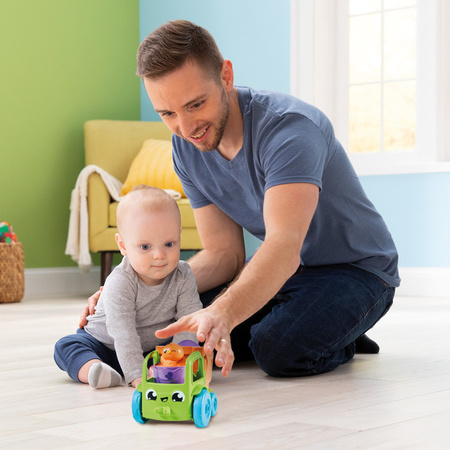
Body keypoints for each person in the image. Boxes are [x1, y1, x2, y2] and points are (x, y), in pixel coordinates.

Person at [80, 20, 399, 379]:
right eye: (167, 114)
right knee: (173, 322)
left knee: (276, 349)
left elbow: (283, 246)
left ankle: (340, 332)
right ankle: (315, 320)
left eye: (195, 104)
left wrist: (224, 312)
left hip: (354, 270)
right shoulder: (186, 149)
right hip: (286, 273)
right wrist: (135, 286)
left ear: (225, 76)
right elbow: (224, 255)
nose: (185, 129)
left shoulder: (290, 130)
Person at [55, 185, 202, 388]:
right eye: (145, 247)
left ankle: (150, 368)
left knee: (189, 342)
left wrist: (178, 360)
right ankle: (95, 370)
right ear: (123, 246)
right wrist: (135, 375)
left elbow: (188, 320)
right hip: (105, 344)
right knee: (66, 346)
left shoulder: (183, 274)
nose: (159, 255)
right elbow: (122, 333)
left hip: (151, 349)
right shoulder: (121, 281)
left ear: (179, 236)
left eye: (169, 244)